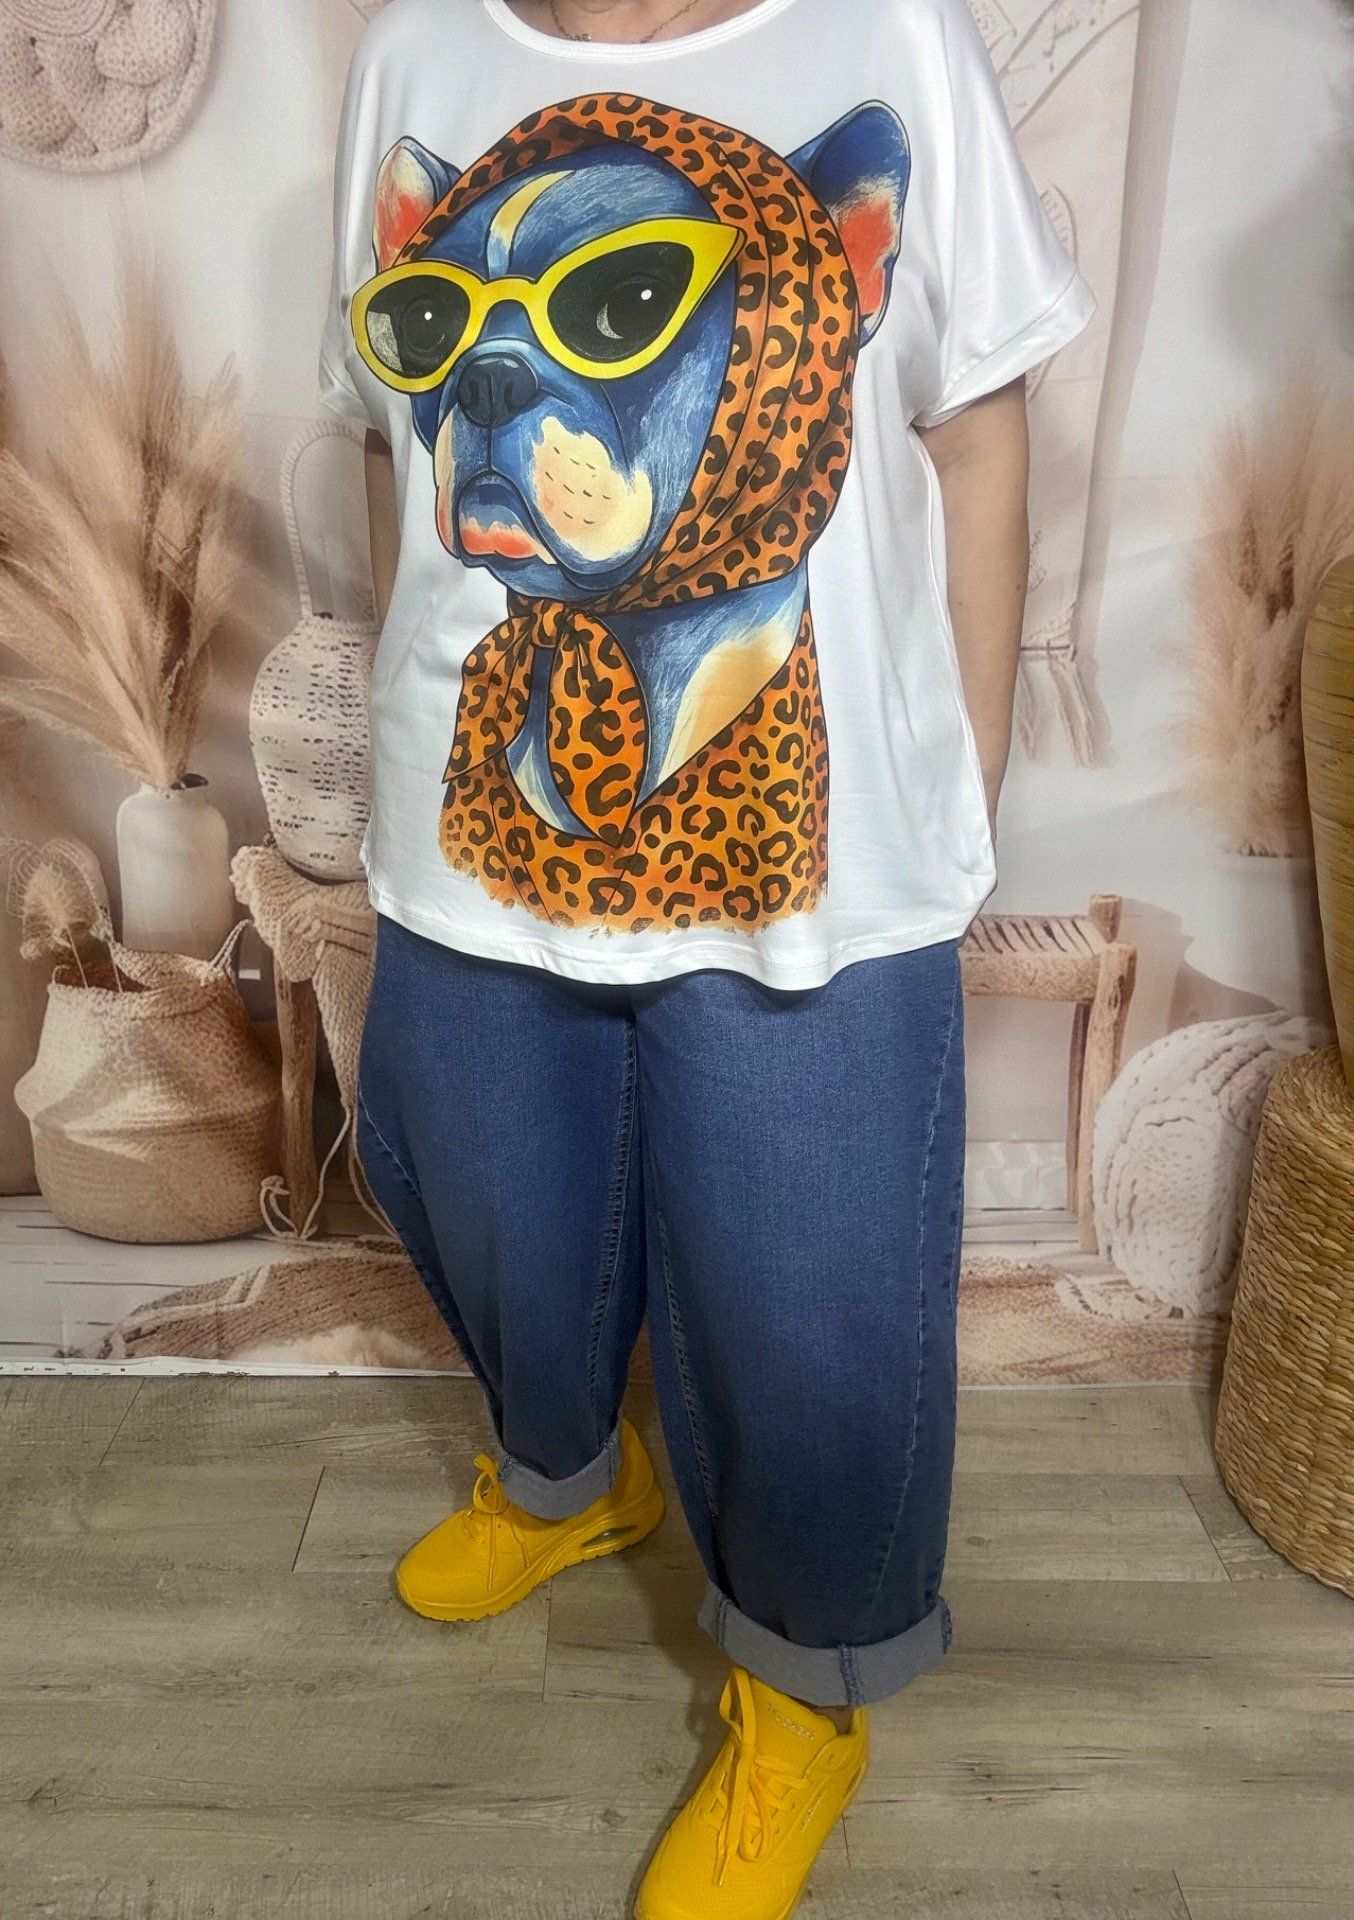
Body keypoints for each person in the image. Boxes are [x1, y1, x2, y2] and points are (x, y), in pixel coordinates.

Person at [320, 0, 1094, 1912]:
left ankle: (801, 1691)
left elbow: (975, 431)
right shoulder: (417, 46)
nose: (495, 377)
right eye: (456, 314)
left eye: (612, 308)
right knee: (487, 1192)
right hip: (475, 816)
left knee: (812, 1296)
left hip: (814, 854)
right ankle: (571, 1482)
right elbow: (385, 451)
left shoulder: (883, 35)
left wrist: (958, 783)